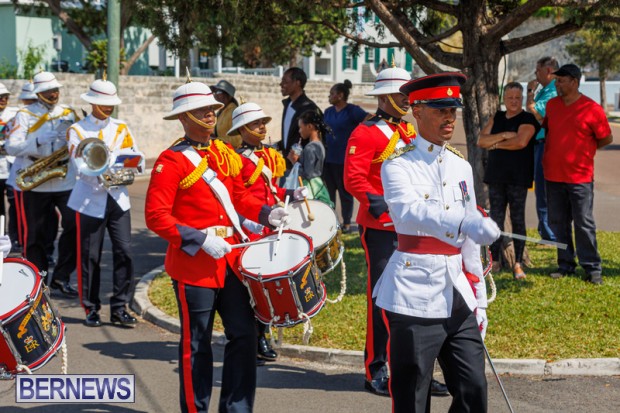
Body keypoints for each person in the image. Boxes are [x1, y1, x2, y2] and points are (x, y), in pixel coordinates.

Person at [145, 80, 290, 413]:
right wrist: (199, 239)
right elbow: (156, 217)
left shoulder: (224, 153)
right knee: (197, 345)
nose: (210, 114)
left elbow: (239, 198)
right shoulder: (170, 161)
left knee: (245, 335)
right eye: (201, 110)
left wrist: (269, 213)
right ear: (184, 117)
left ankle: (236, 408)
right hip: (195, 265)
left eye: (212, 108)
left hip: (232, 259)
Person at [375, 72, 501, 413]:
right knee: (413, 395)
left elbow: (469, 241)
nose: (449, 117)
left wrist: (478, 296)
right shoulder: (398, 165)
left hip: (457, 292)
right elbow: (410, 212)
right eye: (440, 109)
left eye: (453, 110)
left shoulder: (460, 167)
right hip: (414, 294)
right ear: (416, 111)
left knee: (474, 388)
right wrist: (463, 221)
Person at [344, 66, 448, 398]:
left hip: (415, 226)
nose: (405, 100)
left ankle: (420, 371)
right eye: (401, 95)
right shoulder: (366, 132)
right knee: (382, 299)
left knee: (420, 299)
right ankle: (376, 369)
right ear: (385, 97)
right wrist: (384, 207)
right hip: (381, 227)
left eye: (407, 94)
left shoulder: (409, 130)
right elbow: (354, 180)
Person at [227, 101, 308, 364]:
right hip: (251, 229)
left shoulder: (268, 155)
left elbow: (273, 191)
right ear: (241, 130)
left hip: (271, 226)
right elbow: (235, 198)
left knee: (269, 288)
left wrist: (291, 194)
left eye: (263, 122)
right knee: (254, 289)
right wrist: (251, 224)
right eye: (255, 124)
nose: (262, 127)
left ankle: (264, 332)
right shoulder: (237, 159)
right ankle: (256, 338)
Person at [67, 78, 145, 327]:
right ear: (91, 103)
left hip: (118, 198)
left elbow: (135, 155)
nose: (108, 107)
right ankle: (91, 308)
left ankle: (120, 306)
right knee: (90, 256)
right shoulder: (77, 130)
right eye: (102, 103)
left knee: (125, 252)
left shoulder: (121, 127)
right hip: (90, 199)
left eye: (110, 103)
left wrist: (133, 160)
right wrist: (107, 164)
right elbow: (79, 167)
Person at [6, 71, 79, 297]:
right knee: (34, 234)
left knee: (74, 227)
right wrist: (37, 141)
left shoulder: (68, 113)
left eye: (56, 90)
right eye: (48, 91)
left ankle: (62, 277)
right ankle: (38, 281)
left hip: (64, 179)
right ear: (39, 93)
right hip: (34, 181)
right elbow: (11, 146)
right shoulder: (25, 115)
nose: (54, 93)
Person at [542, 64, 613, 285]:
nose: (557, 84)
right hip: (553, 176)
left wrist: (585, 150)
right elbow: (549, 130)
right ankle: (565, 264)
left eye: (561, 80)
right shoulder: (552, 106)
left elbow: (606, 138)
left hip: (580, 178)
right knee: (558, 222)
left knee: (584, 223)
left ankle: (592, 268)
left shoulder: (592, 108)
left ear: (574, 81)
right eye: (556, 80)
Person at [478, 82, 540, 279]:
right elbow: (481, 141)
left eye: (517, 98)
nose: (513, 102)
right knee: (495, 219)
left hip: (518, 177)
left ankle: (518, 263)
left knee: (517, 219)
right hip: (496, 176)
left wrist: (494, 144)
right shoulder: (497, 117)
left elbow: (521, 142)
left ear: (521, 98)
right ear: (504, 99)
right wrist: (504, 136)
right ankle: (494, 260)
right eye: (510, 98)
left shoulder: (527, 118)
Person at [323, 80, 367, 232]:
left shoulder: (352, 111)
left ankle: (347, 223)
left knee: (345, 193)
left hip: (345, 160)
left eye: (332, 94)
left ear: (340, 95)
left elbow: (369, 120)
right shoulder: (328, 112)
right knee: (328, 194)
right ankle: (331, 221)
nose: (330, 96)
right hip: (328, 160)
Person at [526, 56, 559, 242]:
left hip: (545, 144)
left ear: (548, 71)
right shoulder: (547, 90)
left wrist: (530, 91)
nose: (535, 75)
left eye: (537, 71)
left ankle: (549, 233)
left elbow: (532, 109)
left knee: (544, 190)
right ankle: (545, 229)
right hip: (538, 143)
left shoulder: (551, 92)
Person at [278, 67, 321, 172]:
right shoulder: (287, 104)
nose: (281, 84)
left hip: (301, 168)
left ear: (297, 83)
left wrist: (300, 157)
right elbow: (290, 135)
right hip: (287, 165)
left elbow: (316, 137)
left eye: (285, 81)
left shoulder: (309, 108)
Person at [287, 110, 332, 207]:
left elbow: (308, 174)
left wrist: (294, 162)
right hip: (319, 186)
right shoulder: (319, 144)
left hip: (311, 189)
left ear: (309, 126)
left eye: (300, 127)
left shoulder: (311, 147)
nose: (299, 131)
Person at [0, 83, 18, 239]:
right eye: (0, 97)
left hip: (11, 165)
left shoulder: (14, 114)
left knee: (14, 204)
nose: (3, 100)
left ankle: (14, 236)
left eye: (5, 97)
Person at [212, 79, 241, 148]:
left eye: (218, 92)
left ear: (228, 96)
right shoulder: (220, 112)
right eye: (215, 92)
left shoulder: (233, 112)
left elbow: (238, 140)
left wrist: (217, 140)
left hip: (233, 154)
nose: (215, 95)